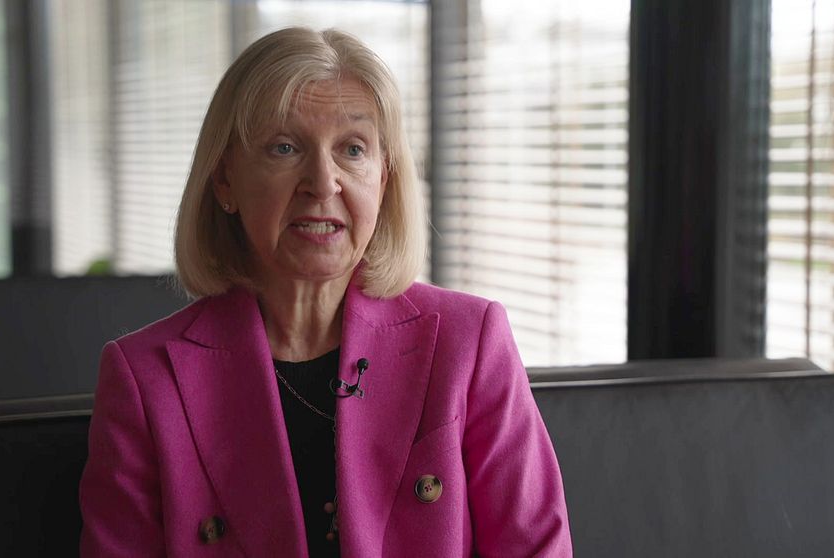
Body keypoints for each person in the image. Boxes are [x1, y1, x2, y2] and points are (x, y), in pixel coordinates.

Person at [79, 26, 572, 557]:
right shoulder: (145, 379)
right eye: (284, 147)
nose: (322, 181)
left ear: (383, 180)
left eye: (352, 149)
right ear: (225, 181)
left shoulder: (468, 342)